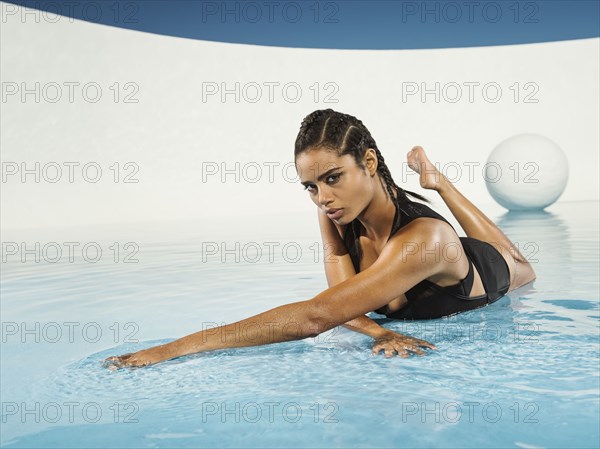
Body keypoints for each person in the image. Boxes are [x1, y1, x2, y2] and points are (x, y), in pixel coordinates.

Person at [103, 109, 536, 369]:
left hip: (480, 268)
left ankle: (438, 183)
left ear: (369, 162)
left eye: (332, 179)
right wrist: (378, 333)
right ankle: (436, 182)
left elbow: (316, 317)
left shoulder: (424, 240)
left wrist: (174, 348)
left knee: (520, 267)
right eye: (310, 186)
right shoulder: (336, 212)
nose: (322, 198)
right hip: (422, 259)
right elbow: (340, 300)